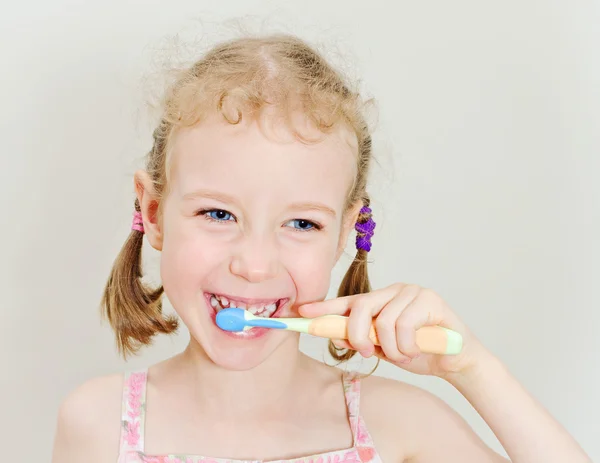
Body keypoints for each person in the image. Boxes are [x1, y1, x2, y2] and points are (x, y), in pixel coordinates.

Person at [51, 34, 591, 463]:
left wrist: (473, 368)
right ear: (153, 213)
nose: (254, 263)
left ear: (342, 235)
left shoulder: (400, 427)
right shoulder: (97, 425)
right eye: (218, 214)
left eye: (302, 223)